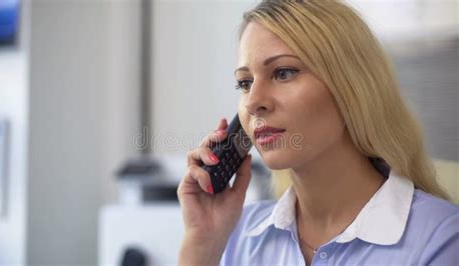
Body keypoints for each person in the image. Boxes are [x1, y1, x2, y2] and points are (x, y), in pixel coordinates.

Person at [177, 0, 459, 265]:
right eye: (245, 83)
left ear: (352, 87)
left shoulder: (441, 239)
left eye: (283, 72)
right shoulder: (236, 236)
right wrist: (202, 246)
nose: (252, 102)